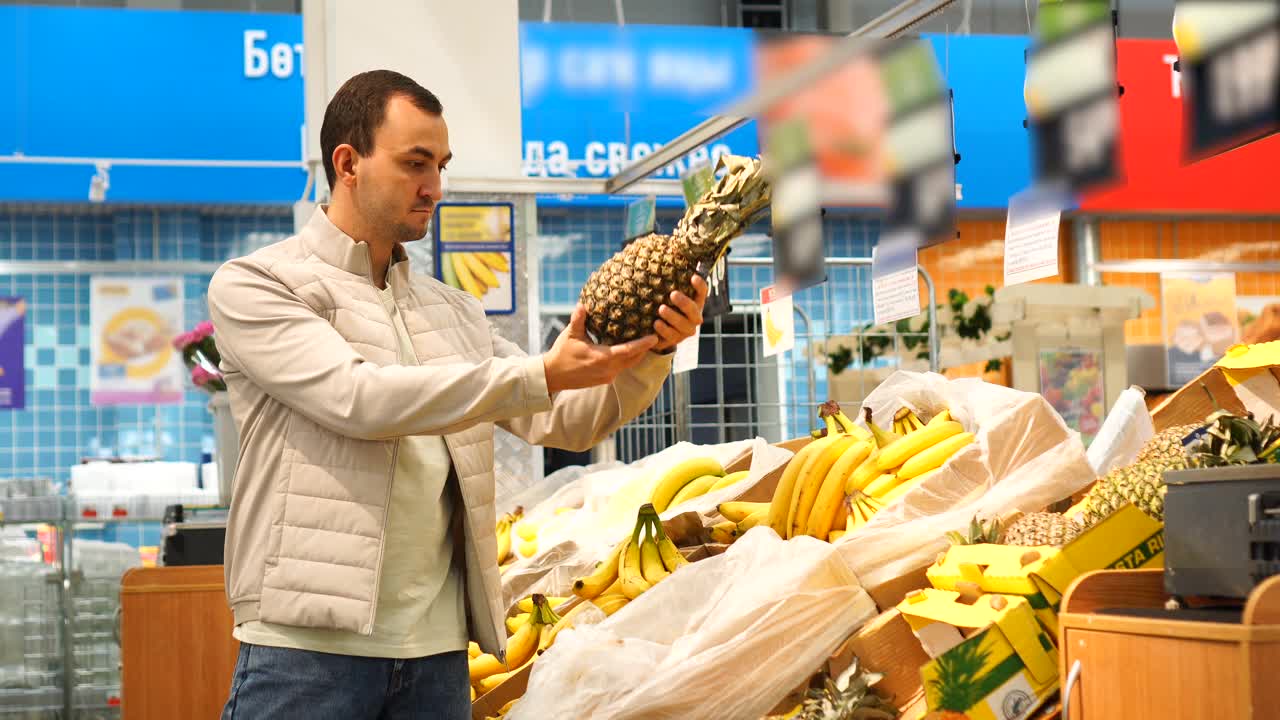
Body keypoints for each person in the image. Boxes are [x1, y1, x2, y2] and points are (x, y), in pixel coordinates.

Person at [207, 69, 706, 719]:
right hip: (309, 653)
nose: (434, 187)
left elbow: (569, 422)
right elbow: (357, 400)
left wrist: (652, 353)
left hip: (438, 655)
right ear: (347, 163)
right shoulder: (258, 286)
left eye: (441, 165)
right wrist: (541, 374)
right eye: (416, 164)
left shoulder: (455, 312)